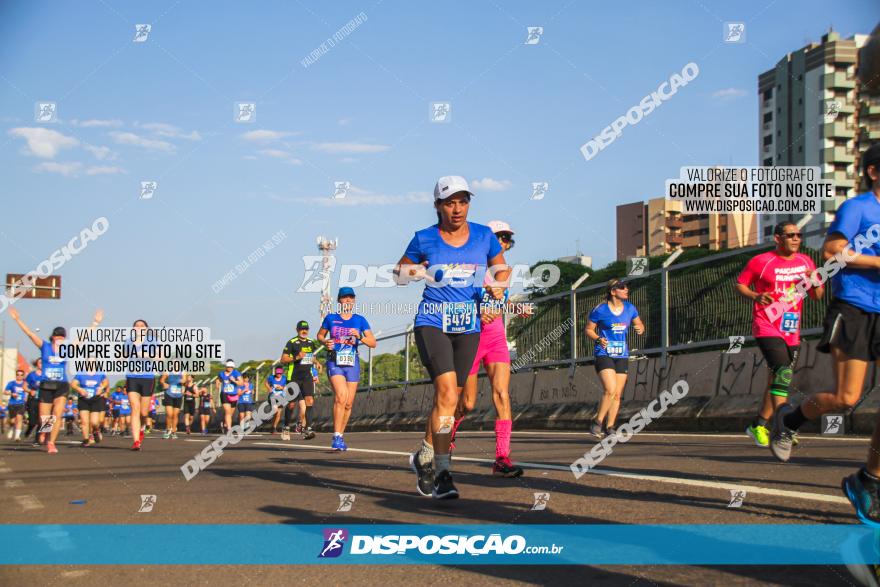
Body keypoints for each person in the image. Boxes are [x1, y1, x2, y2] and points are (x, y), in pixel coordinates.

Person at [395, 175, 509, 499]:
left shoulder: (485, 236)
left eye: (462, 201)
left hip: (468, 327)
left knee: (453, 401)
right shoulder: (425, 238)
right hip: (432, 322)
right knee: (446, 394)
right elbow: (399, 274)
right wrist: (422, 271)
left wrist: (496, 292)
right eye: (449, 202)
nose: (457, 208)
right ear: (438, 207)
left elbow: (501, 270)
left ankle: (425, 454)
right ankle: (444, 471)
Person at [432, 220, 528, 479]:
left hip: (496, 337)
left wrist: (513, 309)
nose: (504, 243)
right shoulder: (470, 267)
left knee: (502, 394)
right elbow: (455, 299)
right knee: (467, 403)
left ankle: (501, 458)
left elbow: (500, 301)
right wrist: (478, 312)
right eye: (500, 237)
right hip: (471, 336)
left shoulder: (505, 271)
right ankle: (446, 435)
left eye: (507, 238)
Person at [737, 222, 823, 447]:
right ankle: (784, 426)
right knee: (783, 373)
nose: (796, 239)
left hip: (791, 329)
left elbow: (818, 296)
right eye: (790, 235)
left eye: (799, 235)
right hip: (766, 325)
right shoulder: (761, 262)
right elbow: (740, 284)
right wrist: (755, 296)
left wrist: (814, 280)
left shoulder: (806, 262)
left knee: (776, 378)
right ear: (777, 238)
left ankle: (758, 425)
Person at [7, 306, 103, 454]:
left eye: (62, 338)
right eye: (58, 338)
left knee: (57, 414)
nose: (60, 340)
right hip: (46, 385)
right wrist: (18, 319)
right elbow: (29, 334)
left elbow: (82, 339)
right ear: (53, 338)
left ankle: (51, 442)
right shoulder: (44, 346)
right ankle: (45, 431)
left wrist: (95, 324)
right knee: (44, 417)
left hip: (61, 385)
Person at [317, 288, 376, 451]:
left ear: (354, 301)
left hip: (352, 363)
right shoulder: (331, 318)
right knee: (341, 397)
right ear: (339, 301)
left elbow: (373, 343)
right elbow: (320, 335)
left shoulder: (360, 320)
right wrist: (325, 342)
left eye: (351, 298)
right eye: (345, 298)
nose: (348, 300)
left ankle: (340, 436)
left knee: (349, 403)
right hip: (334, 361)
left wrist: (360, 336)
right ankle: (336, 436)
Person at [585, 278, 645, 439]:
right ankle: (597, 423)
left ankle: (610, 426)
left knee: (617, 394)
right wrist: (598, 338)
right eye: (622, 287)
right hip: (604, 353)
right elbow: (589, 329)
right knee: (610, 389)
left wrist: (640, 328)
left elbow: (639, 323)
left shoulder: (630, 309)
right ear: (613, 291)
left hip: (622, 355)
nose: (626, 290)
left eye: (626, 287)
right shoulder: (600, 310)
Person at [280, 320, 320, 440]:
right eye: (302, 329)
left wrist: (317, 363)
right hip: (294, 377)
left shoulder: (311, 342)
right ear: (297, 330)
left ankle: (308, 428)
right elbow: (283, 359)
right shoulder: (292, 342)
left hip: (307, 377)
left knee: (310, 401)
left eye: (306, 329)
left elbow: (312, 357)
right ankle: (286, 427)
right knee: (292, 404)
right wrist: (297, 357)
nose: (304, 331)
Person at [126, 319, 157, 451]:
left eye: (142, 326)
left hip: (147, 377)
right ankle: (136, 441)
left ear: (146, 328)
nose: (139, 328)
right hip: (132, 376)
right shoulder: (128, 341)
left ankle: (143, 427)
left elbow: (159, 357)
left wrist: (145, 354)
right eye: (136, 326)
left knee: (144, 413)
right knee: (135, 408)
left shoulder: (152, 341)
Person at [71, 370, 108, 446]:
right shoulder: (81, 374)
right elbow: (73, 384)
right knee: (84, 421)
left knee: (94, 422)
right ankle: (86, 439)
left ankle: (96, 430)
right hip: (83, 399)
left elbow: (106, 382)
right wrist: (80, 389)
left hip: (95, 399)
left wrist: (102, 388)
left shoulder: (100, 374)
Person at [217, 359, 242, 432]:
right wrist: (217, 384)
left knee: (231, 413)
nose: (230, 368)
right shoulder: (221, 373)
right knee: (227, 411)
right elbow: (218, 379)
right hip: (224, 394)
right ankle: (229, 429)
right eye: (228, 366)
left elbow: (241, 383)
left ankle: (225, 423)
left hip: (234, 395)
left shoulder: (236, 373)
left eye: (231, 367)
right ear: (226, 366)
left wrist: (234, 380)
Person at [160, 371, 186, 439]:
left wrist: (183, 381)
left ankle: (174, 431)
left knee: (175, 414)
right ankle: (168, 430)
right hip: (169, 394)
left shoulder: (183, 372)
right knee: (169, 414)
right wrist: (164, 383)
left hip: (178, 395)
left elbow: (184, 380)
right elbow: (162, 380)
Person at [4, 370, 28, 441]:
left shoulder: (25, 384)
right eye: (18, 374)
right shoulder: (11, 383)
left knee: (19, 419)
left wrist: (27, 396)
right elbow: (5, 391)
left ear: (23, 376)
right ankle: (11, 428)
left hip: (21, 404)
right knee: (12, 421)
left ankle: (17, 436)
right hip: (12, 403)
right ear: (16, 375)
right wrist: (12, 394)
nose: (19, 376)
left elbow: (28, 390)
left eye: (21, 375)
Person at [264, 365, 288, 433]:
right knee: (275, 410)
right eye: (277, 373)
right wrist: (269, 388)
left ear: (282, 373)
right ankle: (272, 425)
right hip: (273, 396)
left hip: (281, 397)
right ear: (275, 372)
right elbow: (266, 383)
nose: (279, 374)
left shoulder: (284, 378)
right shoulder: (271, 377)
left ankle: (274, 427)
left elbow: (288, 386)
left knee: (278, 414)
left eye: (280, 373)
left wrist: (282, 388)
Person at [24, 358, 42, 444]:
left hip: (44, 400)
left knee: (41, 420)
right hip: (33, 400)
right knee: (32, 421)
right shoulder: (31, 375)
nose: (42, 364)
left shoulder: (48, 375)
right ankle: (29, 429)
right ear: (36, 364)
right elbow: (24, 387)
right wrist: (30, 391)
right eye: (40, 362)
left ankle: (37, 439)